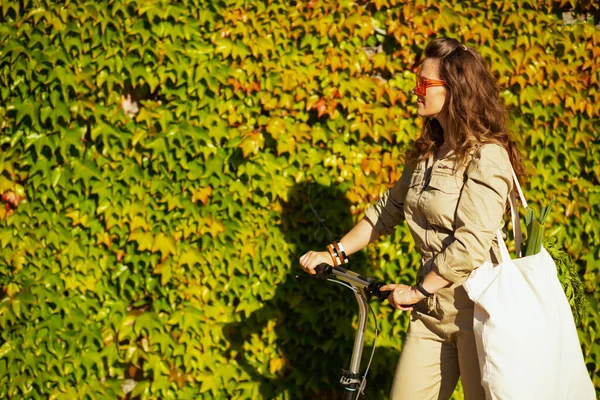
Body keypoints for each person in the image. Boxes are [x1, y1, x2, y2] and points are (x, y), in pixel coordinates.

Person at [299, 37, 526, 400]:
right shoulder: (427, 154)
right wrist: (334, 253)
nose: (415, 90)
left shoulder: (488, 156)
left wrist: (417, 289)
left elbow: (471, 244)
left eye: (424, 84)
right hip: (431, 314)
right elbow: (386, 211)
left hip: (478, 311)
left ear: (454, 90)